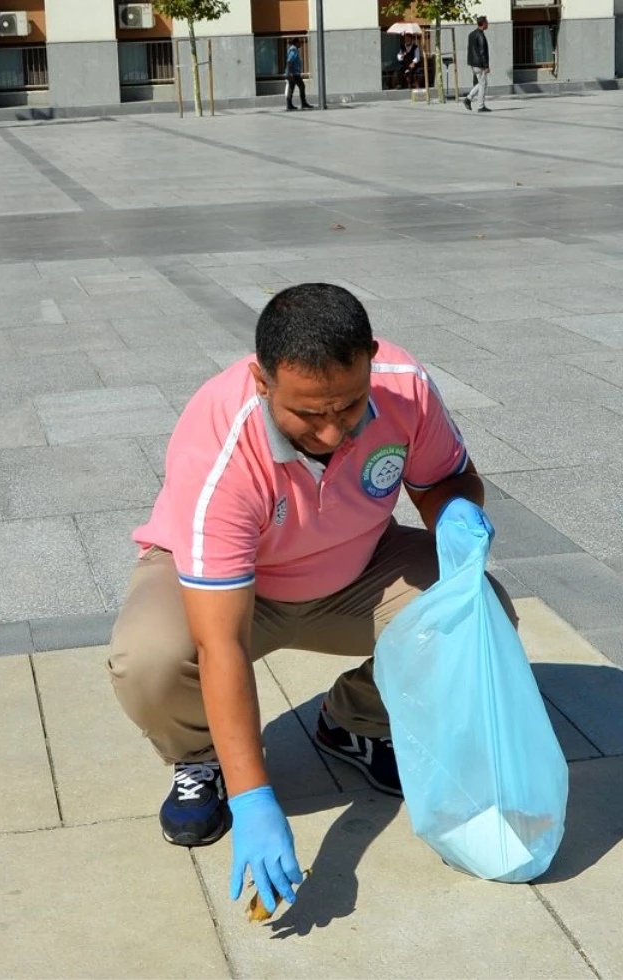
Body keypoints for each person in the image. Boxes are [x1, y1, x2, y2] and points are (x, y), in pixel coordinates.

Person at [108, 283, 515, 915]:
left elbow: (446, 478)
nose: (331, 431)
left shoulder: (403, 385)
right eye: (308, 414)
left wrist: (456, 513)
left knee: (478, 614)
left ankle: (354, 718)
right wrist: (252, 797)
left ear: (371, 361)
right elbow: (223, 643)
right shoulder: (220, 445)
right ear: (262, 381)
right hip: (236, 589)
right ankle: (202, 757)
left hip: (355, 567)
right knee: (152, 657)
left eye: (349, 406)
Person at [464, 16, 492, 112]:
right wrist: (486, 66)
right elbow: (482, 51)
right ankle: (480, 106)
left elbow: (470, 50)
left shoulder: (471, 34)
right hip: (480, 64)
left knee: (481, 83)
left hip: (473, 63)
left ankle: (468, 99)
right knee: (483, 84)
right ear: (483, 23)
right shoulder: (480, 35)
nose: (488, 24)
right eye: (487, 22)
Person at [284, 39, 311, 111]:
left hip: (292, 73)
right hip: (293, 74)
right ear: (296, 43)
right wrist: (291, 73)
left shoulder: (292, 50)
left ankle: (289, 105)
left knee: (291, 88)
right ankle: (303, 103)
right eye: (299, 43)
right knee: (302, 86)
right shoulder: (293, 51)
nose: (300, 44)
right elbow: (289, 62)